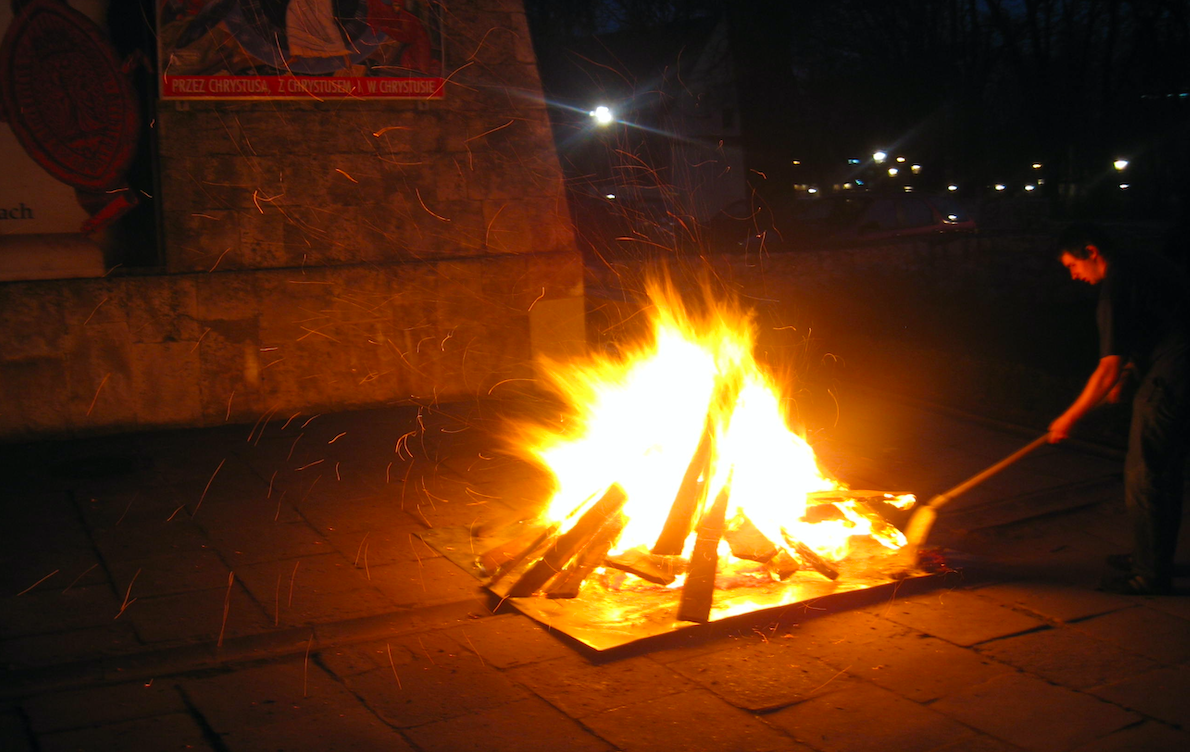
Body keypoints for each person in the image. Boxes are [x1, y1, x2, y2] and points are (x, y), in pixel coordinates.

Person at [1050, 223, 1189, 594]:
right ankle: (1151, 556)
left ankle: (1149, 575)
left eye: (1073, 265)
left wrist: (1068, 418)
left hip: (1173, 377)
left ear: (1091, 252)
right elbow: (1153, 325)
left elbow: (1107, 368)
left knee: (1146, 473)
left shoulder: (1115, 286)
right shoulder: (1140, 263)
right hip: (1176, 370)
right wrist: (1128, 375)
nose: (1074, 275)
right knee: (1164, 471)